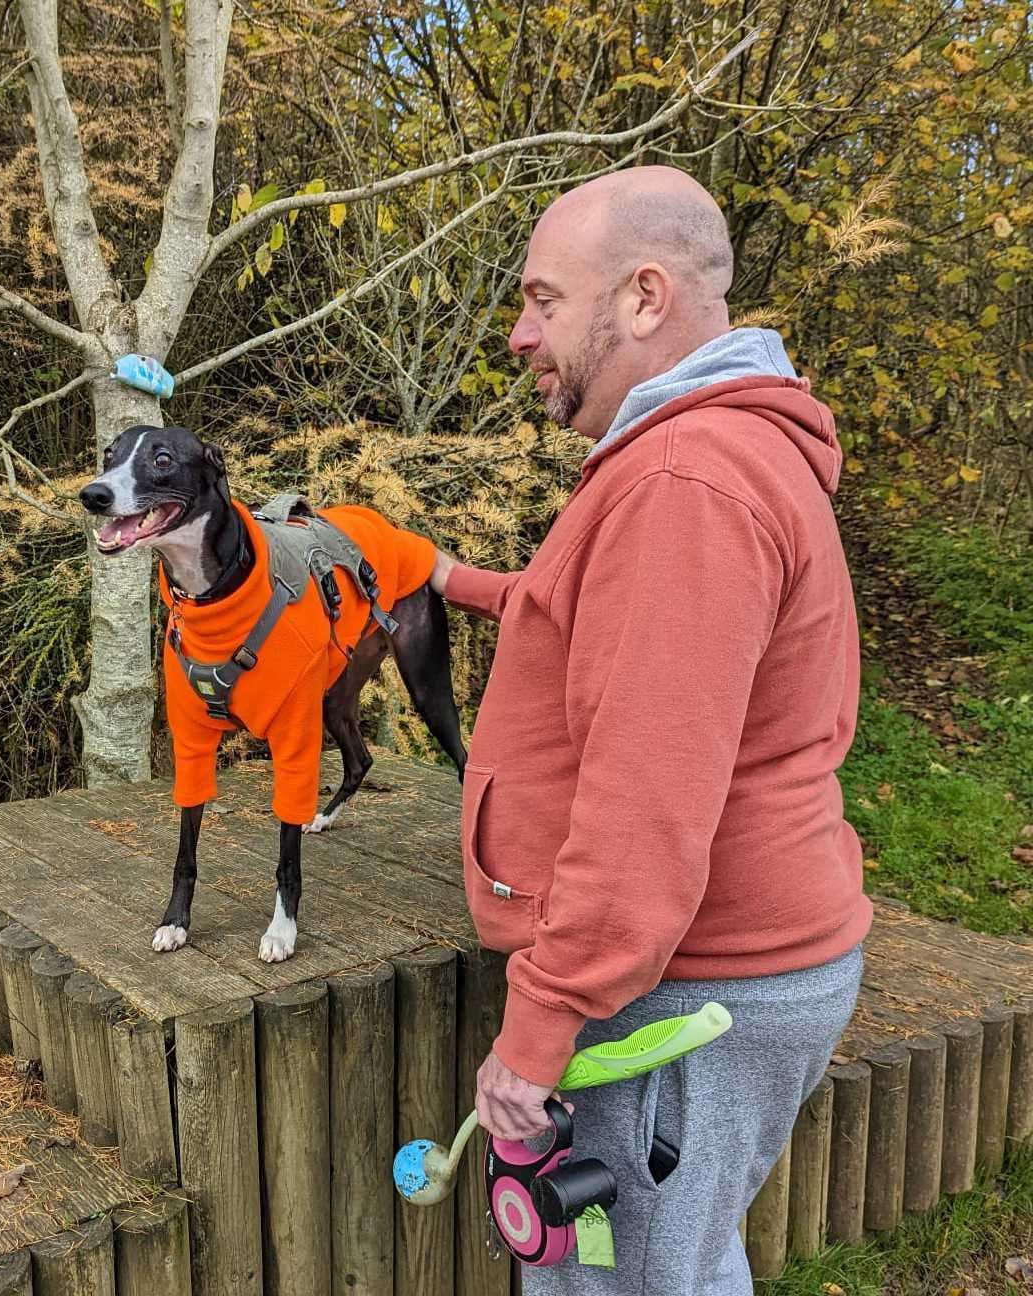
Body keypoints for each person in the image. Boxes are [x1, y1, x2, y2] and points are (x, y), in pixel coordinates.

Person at [430, 165, 873, 1293]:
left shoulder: (684, 479)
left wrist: (539, 1028)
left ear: (641, 298)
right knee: (678, 1261)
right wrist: (443, 577)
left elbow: (645, 805)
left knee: (615, 1283)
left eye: (542, 301)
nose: (520, 335)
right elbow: (593, 630)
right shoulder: (714, 454)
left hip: (676, 994)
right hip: (719, 976)